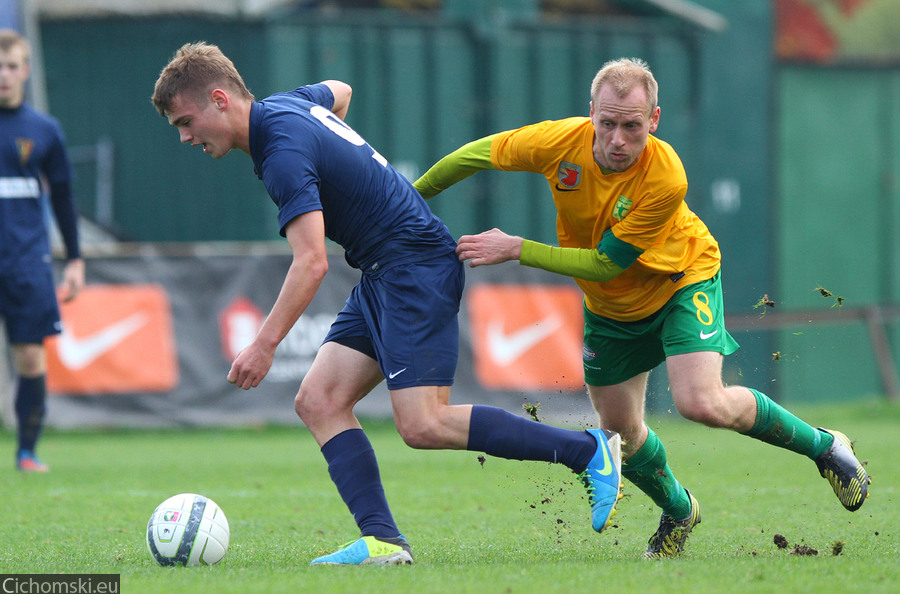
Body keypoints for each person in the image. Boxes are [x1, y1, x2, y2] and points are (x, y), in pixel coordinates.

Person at [151, 41, 624, 566]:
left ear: (220, 99)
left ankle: (588, 451)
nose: (186, 137)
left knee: (423, 424)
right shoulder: (289, 106)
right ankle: (383, 541)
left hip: (412, 268)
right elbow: (340, 92)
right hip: (386, 270)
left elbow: (310, 263)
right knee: (319, 401)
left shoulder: (281, 153)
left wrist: (264, 345)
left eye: (186, 122)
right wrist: (344, 169)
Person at [414, 57, 870, 559]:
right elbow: (474, 156)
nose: (617, 140)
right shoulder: (556, 142)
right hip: (611, 309)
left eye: (631, 126)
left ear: (653, 120)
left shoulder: (665, 176)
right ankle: (679, 509)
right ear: (591, 114)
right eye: (606, 124)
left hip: (680, 280)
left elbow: (607, 263)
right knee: (620, 437)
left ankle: (825, 446)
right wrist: (408, 202)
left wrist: (517, 248)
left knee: (701, 402)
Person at [0, 29, 84, 472]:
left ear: (25, 71)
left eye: (12, 66)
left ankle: (26, 452)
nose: (4, 75)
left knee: (30, 357)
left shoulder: (44, 130)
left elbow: (65, 198)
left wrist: (74, 258)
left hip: (25, 263)